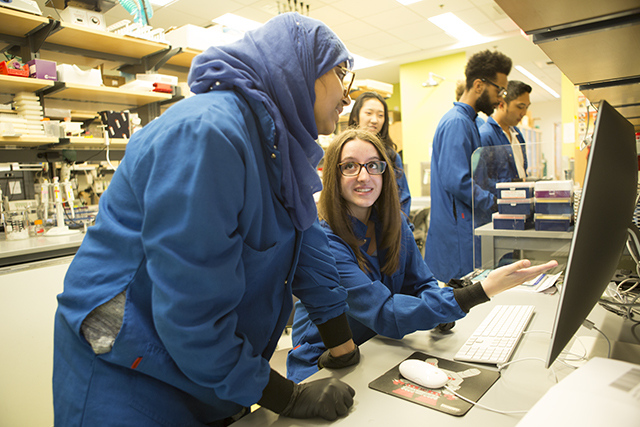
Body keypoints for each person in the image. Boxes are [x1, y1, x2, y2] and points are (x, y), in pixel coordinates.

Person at [52, 13, 363, 426]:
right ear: (298, 66)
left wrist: (342, 345)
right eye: (342, 74)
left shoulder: (279, 148)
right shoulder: (208, 133)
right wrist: (285, 397)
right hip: (129, 366)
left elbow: (306, 248)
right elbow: (190, 313)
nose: (348, 96)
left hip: (202, 370)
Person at [285, 128, 557, 383]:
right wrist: (478, 292)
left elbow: (422, 284)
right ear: (334, 175)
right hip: (327, 363)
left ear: (385, 172)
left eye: (373, 165)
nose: (364, 176)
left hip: (377, 348)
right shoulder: (326, 241)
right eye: (350, 166)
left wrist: (439, 311)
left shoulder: (394, 224)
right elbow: (385, 312)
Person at [426, 49, 512, 283]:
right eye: (499, 90)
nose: (500, 99)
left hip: (465, 227)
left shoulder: (469, 122)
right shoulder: (457, 123)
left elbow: (477, 177)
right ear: (478, 85)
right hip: (458, 234)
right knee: (462, 302)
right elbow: (458, 181)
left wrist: (507, 194)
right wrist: (493, 202)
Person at [348, 91, 411, 218]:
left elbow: (403, 199)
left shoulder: (391, 157)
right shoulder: (344, 152)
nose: (374, 120)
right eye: (368, 113)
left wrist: (397, 227)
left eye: (381, 115)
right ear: (355, 116)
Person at [478, 80, 533, 185]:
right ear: (502, 104)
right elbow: (482, 182)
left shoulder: (517, 134)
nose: (524, 113)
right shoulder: (486, 135)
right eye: (520, 107)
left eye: (527, 107)